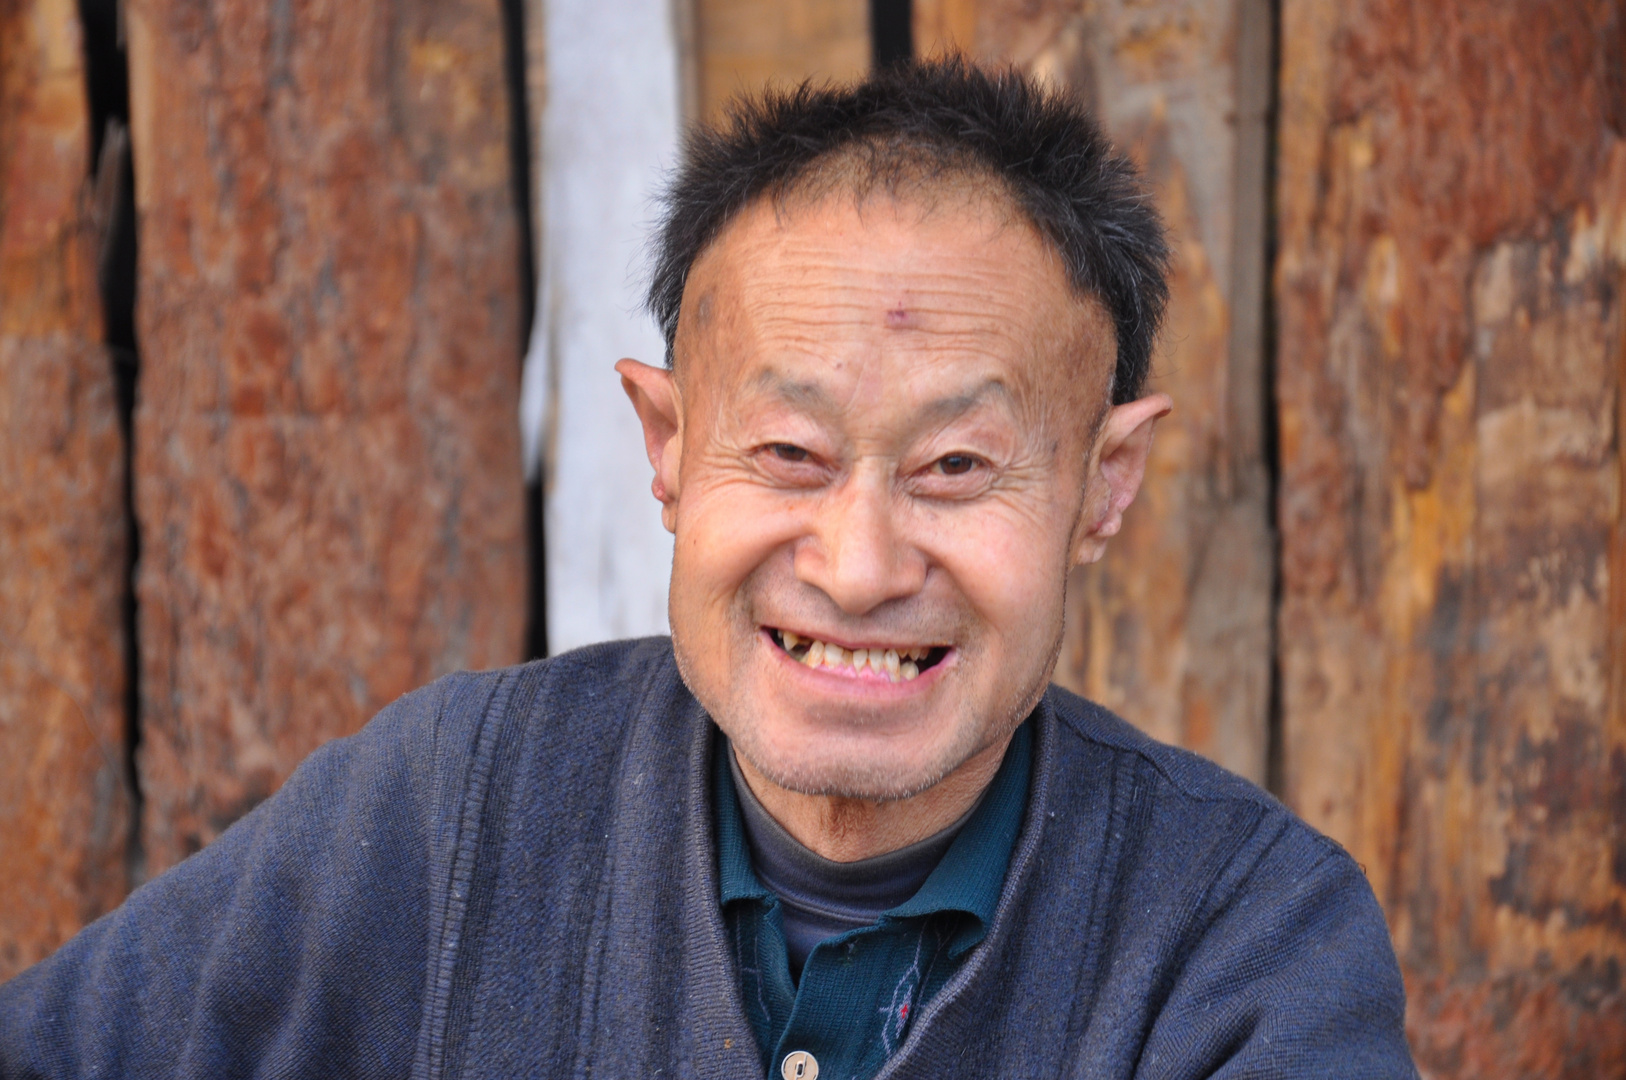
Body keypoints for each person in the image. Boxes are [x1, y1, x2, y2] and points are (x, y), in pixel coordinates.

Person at [0, 59, 1418, 1078]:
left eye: (955, 470)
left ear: (1102, 488)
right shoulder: (449, 813)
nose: (857, 568)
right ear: (669, 448)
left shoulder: (1241, 939)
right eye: (789, 455)